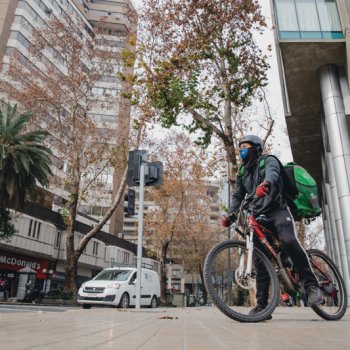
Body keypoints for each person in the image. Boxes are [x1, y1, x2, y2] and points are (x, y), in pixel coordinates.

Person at [221, 135, 322, 316]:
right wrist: (230, 214)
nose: (242, 150)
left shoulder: (268, 160)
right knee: (260, 261)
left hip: (278, 210)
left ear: (256, 148)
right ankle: (263, 306)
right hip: (258, 216)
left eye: (246, 146)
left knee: (289, 241)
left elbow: (273, 174)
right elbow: (237, 196)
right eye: (240, 147)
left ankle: (312, 285)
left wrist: (266, 184)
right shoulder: (243, 172)